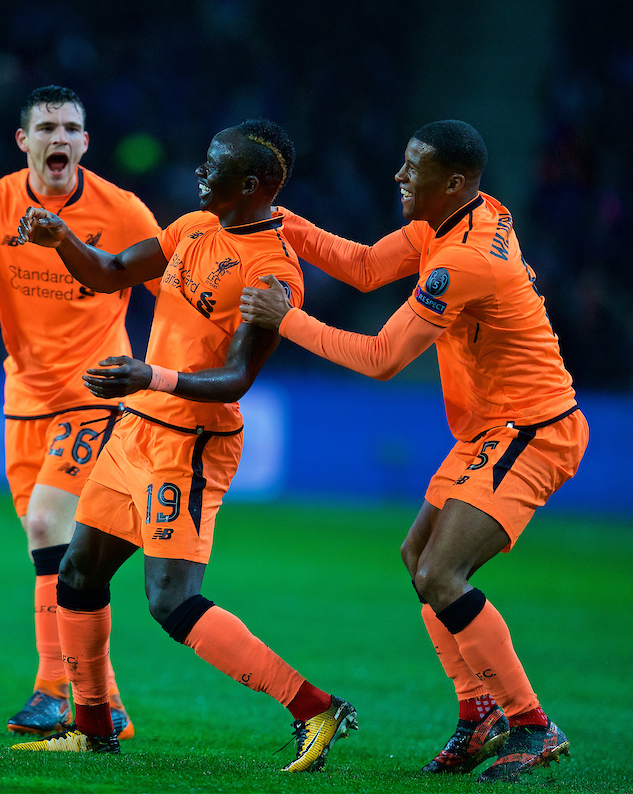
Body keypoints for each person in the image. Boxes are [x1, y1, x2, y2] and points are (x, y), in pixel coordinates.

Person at [240, 120, 585, 782]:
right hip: (492, 427)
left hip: (532, 428)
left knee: (440, 575)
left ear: (453, 182)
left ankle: (532, 725)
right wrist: (283, 221)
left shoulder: (465, 261)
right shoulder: (456, 219)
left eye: (412, 168)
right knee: (418, 558)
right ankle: (477, 711)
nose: (399, 177)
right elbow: (367, 267)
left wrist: (286, 319)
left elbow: (381, 359)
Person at [9, 118, 358, 772]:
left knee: (170, 599)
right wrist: (61, 240)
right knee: (78, 576)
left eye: (213, 166)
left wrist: (154, 375)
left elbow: (238, 378)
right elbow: (112, 271)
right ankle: (91, 729)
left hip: (192, 443)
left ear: (250, 184)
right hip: (137, 428)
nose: (199, 174)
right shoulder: (194, 228)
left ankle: (314, 707)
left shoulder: (272, 272)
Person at [0, 85, 160, 738]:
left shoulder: (123, 210)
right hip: (24, 399)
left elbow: (175, 286)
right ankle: (104, 703)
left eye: (72, 128)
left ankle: (53, 689)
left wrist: (174, 368)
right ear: (23, 141)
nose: (60, 137)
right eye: (47, 127)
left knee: (47, 522)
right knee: (52, 547)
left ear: (87, 142)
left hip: (96, 396)